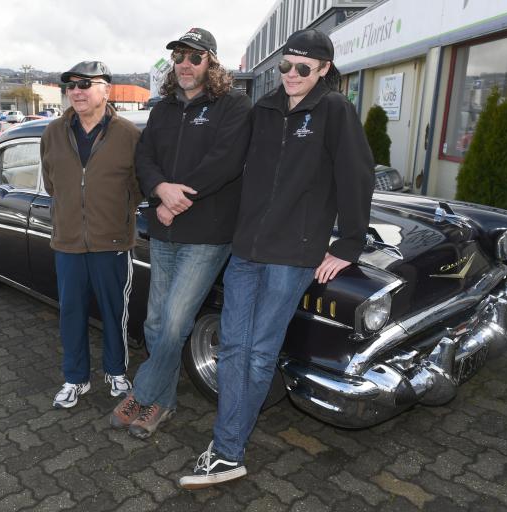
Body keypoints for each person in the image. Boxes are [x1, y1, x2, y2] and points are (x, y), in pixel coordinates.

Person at [180, 28, 375, 489]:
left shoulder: (334, 111)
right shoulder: (264, 108)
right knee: (232, 346)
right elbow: (229, 163)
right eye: (286, 66)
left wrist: (348, 243)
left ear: (324, 69)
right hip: (247, 249)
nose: (291, 75)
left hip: (293, 255)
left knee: (259, 352)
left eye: (303, 68)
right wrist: (176, 190)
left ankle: (227, 451)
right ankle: (228, 443)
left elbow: (356, 176)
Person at [110, 28, 251, 439]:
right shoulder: (163, 110)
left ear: (212, 62)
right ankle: (163, 403)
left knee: (174, 324)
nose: (185, 64)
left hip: (206, 234)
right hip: (165, 229)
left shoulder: (235, 105)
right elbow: (145, 157)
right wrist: (159, 192)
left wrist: (175, 200)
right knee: (155, 324)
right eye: (179, 58)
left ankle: (144, 392)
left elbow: (225, 162)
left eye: (195, 57)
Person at [40, 61, 143, 408]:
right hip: (68, 243)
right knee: (70, 313)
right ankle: (75, 379)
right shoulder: (53, 132)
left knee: (115, 312)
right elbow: (53, 183)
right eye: (70, 85)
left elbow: (138, 186)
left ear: (106, 90)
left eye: (85, 84)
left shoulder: (129, 134)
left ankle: (115, 372)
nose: (77, 91)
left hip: (111, 243)